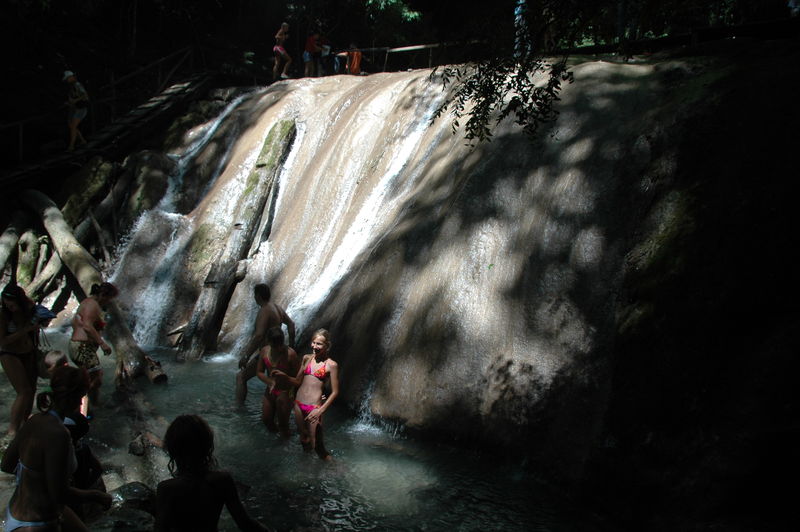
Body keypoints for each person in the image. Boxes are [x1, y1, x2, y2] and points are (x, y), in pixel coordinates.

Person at [1, 365, 112, 532]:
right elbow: (58, 495)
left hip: (16, 513)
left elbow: (6, 465)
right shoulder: (60, 435)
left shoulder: (34, 420)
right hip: (38, 523)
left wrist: (34, 476)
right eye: (81, 397)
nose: (82, 402)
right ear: (75, 398)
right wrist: (96, 496)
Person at [155, 414, 270, 532]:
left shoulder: (166, 488)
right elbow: (245, 523)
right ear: (207, 446)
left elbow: (160, 528)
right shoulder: (223, 480)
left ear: (172, 450)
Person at [272, 329, 339, 460]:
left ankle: (333, 468)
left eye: (319, 344)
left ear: (327, 346)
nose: (315, 346)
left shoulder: (331, 365)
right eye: (313, 343)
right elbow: (297, 381)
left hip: (314, 408)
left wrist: (321, 411)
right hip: (298, 404)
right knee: (303, 438)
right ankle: (308, 468)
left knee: (318, 446)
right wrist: (285, 376)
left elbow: (336, 392)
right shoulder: (307, 358)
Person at [235, 283, 295, 404]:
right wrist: (292, 345)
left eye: (254, 294)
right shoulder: (276, 307)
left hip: (267, 352)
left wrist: (246, 356)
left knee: (241, 377)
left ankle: (238, 408)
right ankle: (277, 411)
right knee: (275, 383)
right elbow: (291, 324)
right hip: (278, 351)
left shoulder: (264, 310)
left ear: (257, 295)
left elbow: (259, 335)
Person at [69, 282, 119, 417]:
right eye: (109, 299)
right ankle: (77, 405)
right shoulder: (92, 305)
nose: (108, 302)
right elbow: (87, 326)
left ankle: (92, 407)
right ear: (102, 295)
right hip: (82, 347)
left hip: (80, 346)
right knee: (97, 378)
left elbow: (77, 323)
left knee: (90, 377)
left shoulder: (88, 302)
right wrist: (102, 343)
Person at [0, 284, 40, 439]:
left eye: (13, 303)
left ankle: (25, 425)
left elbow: (36, 316)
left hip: (29, 351)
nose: (10, 306)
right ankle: (12, 431)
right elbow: (2, 341)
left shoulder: (28, 306)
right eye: (7, 303)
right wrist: (24, 330)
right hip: (9, 353)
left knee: (32, 389)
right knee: (23, 391)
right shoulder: (3, 315)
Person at [255, 327, 299, 437]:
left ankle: (285, 445)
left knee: (283, 425)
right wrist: (270, 382)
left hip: (286, 391)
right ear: (269, 342)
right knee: (266, 420)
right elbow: (259, 372)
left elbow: (299, 380)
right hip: (270, 389)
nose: (279, 348)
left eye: (281, 344)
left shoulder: (291, 354)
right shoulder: (264, 351)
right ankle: (276, 443)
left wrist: (286, 377)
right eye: (275, 345)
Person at [63, 70, 89, 151]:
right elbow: (73, 100)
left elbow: (85, 95)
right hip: (77, 109)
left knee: (73, 126)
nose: (67, 80)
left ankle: (71, 146)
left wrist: (75, 100)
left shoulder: (77, 85)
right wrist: (69, 103)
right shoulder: (72, 87)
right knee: (71, 125)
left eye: (67, 78)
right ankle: (83, 141)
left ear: (71, 77)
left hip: (82, 108)